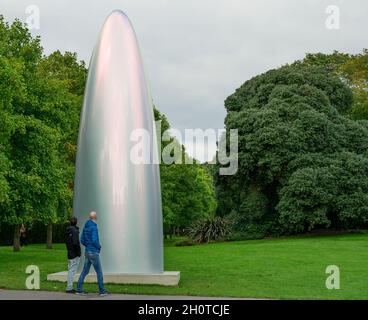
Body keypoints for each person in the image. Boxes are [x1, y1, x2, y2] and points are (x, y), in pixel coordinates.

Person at [76, 211, 109, 296]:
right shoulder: (94, 227)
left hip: (87, 251)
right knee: (99, 272)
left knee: (84, 271)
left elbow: (82, 240)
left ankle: (79, 289)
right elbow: (94, 240)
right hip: (94, 252)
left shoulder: (85, 226)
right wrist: (99, 247)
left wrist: (87, 245)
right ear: (95, 218)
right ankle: (102, 291)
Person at [65, 217, 81, 293]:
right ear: (76, 222)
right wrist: (78, 253)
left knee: (70, 270)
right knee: (72, 271)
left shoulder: (67, 231)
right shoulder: (75, 231)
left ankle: (69, 286)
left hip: (70, 252)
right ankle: (69, 288)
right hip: (74, 254)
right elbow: (76, 243)